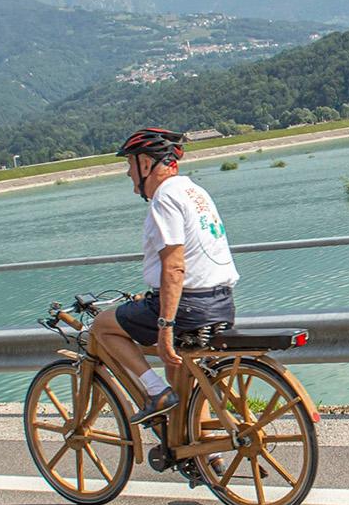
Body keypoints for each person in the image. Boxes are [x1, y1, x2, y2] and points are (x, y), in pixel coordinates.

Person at [88, 127, 239, 425]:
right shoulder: (195, 192)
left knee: (102, 326)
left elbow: (174, 266)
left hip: (188, 307)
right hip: (221, 302)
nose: (128, 173)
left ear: (146, 163)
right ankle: (200, 445)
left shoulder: (165, 198)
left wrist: (165, 327)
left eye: (129, 163)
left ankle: (155, 392)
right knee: (181, 372)